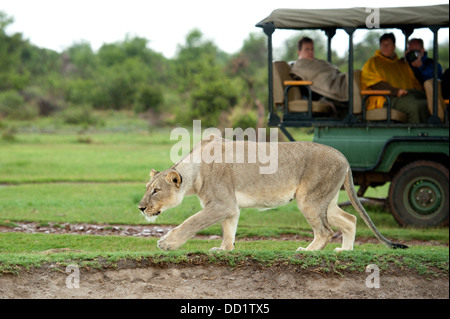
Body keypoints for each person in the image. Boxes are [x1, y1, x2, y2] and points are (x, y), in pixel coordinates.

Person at [361, 33, 429, 123]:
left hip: (404, 96)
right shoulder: (373, 63)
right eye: (382, 44)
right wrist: (395, 91)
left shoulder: (401, 64)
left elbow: (415, 84)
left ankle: (427, 134)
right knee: (414, 106)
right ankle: (414, 136)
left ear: (394, 46)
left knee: (426, 103)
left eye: (388, 44)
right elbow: (376, 84)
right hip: (384, 99)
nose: (385, 47)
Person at [290, 37, 348, 103]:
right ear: (299, 52)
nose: (310, 52)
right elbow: (318, 77)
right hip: (316, 93)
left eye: (312, 49)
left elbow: (329, 71)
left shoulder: (317, 63)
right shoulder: (300, 67)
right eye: (307, 49)